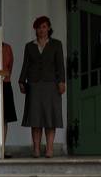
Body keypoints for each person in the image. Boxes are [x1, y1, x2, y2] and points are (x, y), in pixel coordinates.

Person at [18, 15, 66, 158]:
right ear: (35, 29)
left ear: (49, 28)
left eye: (44, 27)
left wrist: (62, 81)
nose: (41, 30)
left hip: (51, 84)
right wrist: (21, 81)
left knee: (50, 119)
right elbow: (25, 65)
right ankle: (36, 149)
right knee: (35, 119)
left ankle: (50, 149)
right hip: (34, 85)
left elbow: (60, 65)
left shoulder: (56, 44)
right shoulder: (29, 46)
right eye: (39, 27)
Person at [1, 42, 18, 158]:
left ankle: (2, 148)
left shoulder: (7, 47)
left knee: (5, 118)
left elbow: (10, 66)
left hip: (5, 83)